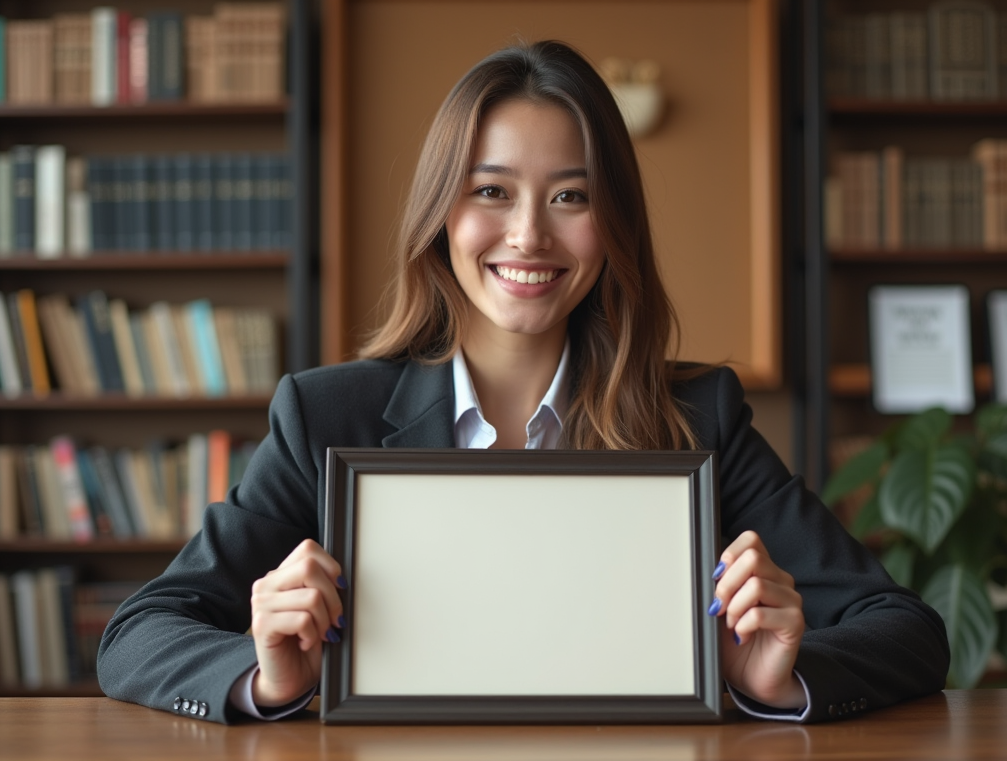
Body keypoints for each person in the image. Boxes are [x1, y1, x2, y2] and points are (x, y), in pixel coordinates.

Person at [98, 40, 948, 724]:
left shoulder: (697, 417)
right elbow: (137, 636)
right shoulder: (327, 416)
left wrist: (775, 679)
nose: (529, 235)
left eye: (571, 196)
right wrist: (267, 677)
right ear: (441, 215)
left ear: (613, 224)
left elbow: (907, 632)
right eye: (492, 191)